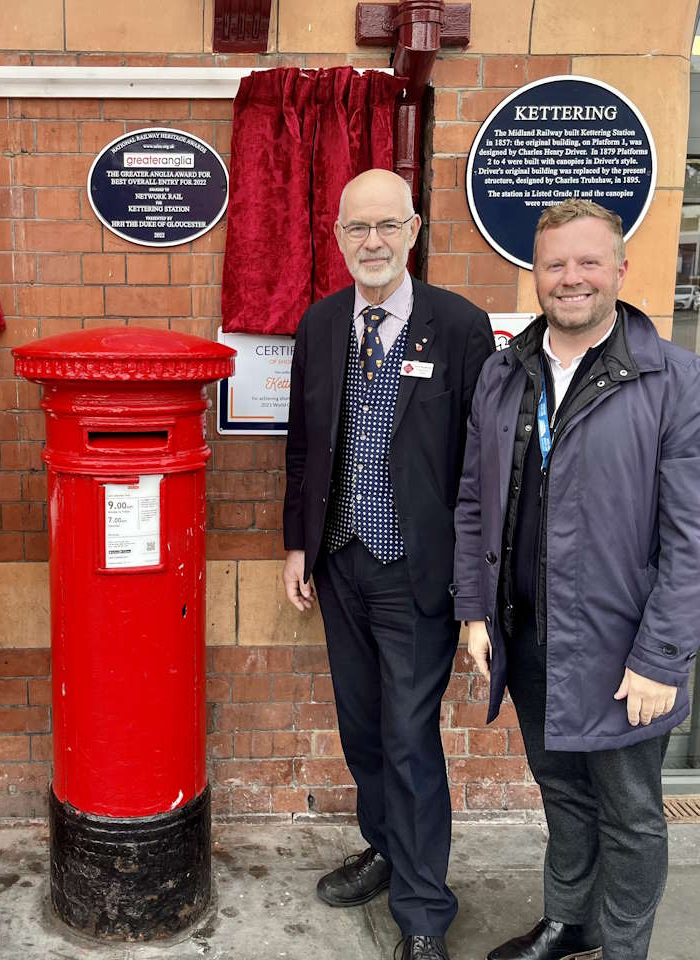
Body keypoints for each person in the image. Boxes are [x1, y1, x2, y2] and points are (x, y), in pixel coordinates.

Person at [453, 198, 700, 960]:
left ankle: (623, 948)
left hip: (623, 650)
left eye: (587, 262)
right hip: (530, 635)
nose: (570, 278)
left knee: (632, 813)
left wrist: (661, 657)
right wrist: (475, 612)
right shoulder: (504, 372)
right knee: (563, 791)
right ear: (534, 275)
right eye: (554, 265)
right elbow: (475, 501)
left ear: (619, 270)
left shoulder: (675, 379)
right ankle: (569, 921)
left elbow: (699, 537)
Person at [282, 168, 494, 960]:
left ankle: (425, 911)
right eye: (355, 229)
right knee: (363, 729)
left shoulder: (461, 327)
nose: (371, 242)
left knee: (409, 738)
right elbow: (304, 446)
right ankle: (386, 847)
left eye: (386, 226)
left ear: (413, 231)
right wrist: (298, 545)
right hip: (341, 565)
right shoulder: (323, 324)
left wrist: (474, 584)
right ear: (338, 238)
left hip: (418, 573)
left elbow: (482, 465)